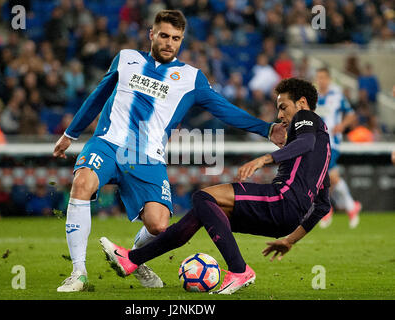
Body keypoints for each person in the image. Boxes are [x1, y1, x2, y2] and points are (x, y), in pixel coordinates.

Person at [53, 10, 286, 292]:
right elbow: (98, 95)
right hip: (108, 142)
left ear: (182, 40)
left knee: (159, 225)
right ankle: (79, 272)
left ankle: (133, 259)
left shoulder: (191, 78)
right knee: (83, 182)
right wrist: (70, 134)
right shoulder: (127, 59)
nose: (169, 43)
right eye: (163, 35)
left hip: (147, 156)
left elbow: (224, 110)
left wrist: (266, 129)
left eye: (176, 38)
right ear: (152, 34)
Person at [100, 77, 332, 295]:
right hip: (287, 218)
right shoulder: (325, 150)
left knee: (203, 197)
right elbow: (322, 205)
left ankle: (239, 270)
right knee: (201, 211)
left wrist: (265, 159)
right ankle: (132, 260)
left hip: (280, 200)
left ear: (301, 103)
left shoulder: (307, 118)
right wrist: (289, 240)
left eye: (284, 107)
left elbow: (305, 141)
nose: (280, 114)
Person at [314, 68, 361, 229]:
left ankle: (327, 208)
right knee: (332, 176)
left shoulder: (337, 96)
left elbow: (351, 115)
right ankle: (351, 206)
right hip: (316, 144)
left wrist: (342, 125)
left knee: (325, 174)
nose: (321, 80)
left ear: (329, 79)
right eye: (318, 77)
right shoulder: (313, 98)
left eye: (323, 77)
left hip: (332, 143)